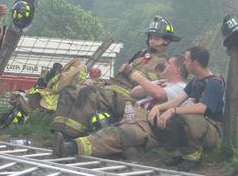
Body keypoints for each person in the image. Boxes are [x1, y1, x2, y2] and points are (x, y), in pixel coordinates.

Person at [51, 15, 180, 138]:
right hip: (111, 90)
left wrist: (130, 72)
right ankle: (58, 132)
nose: (152, 41)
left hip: (127, 99)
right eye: (151, 37)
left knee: (89, 93)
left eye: (157, 38)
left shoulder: (163, 63)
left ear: (166, 41)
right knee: (70, 90)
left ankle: (71, 136)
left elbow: (150, 87)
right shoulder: (141, 54)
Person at [53, 54, 189, 157]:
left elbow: (159, 94)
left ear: (176, 69)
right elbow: (135, 93)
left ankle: (71, 148)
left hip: (149, 121)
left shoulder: (182, 87)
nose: (165, 66)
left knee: (117, 133)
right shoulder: (162, 82)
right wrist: (150, 84)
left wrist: (135, 75)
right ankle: (62, 137)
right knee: (116, 133)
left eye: (169, 64)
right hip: (135, 112)